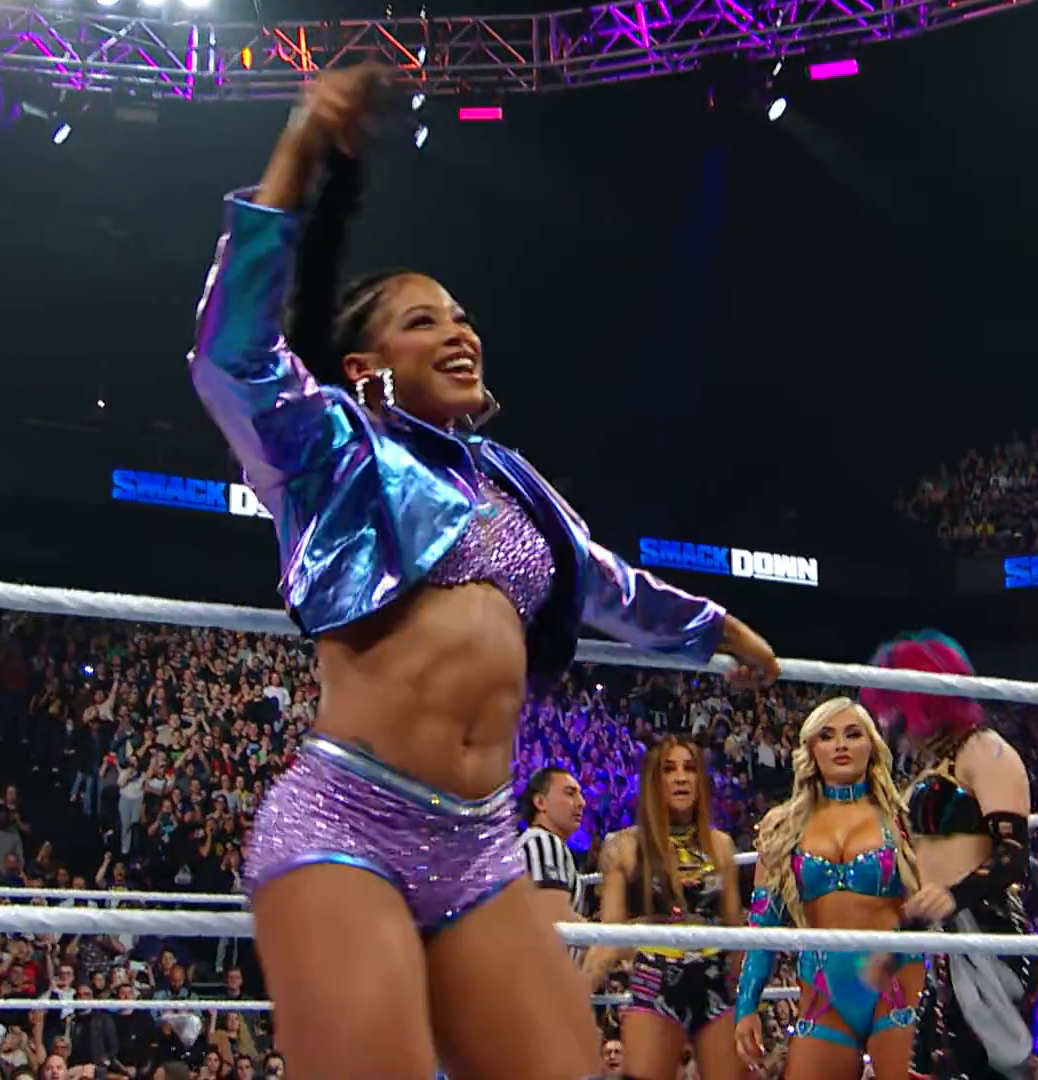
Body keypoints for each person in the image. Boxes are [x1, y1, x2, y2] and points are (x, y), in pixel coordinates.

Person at [190, 64, 781, 1080]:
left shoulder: (511, 482)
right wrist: (297, 150)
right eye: (423, 320)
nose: (458, 332)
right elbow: (232, 354)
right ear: (367, 367)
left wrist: (721, 630)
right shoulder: (332, 448)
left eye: (460, 316)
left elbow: (606, 584)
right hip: (348, 821)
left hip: (480, 844)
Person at [858, 631, 1037, 1080]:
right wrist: (897, 942)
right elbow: (928, 882)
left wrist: (955, 895)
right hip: (941, 945)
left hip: (988, 933)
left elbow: (1014, 854)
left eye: (898, 705)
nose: (892, 720)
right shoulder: (926, 769)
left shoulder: (986, 751)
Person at [734, 697, 924, 1079]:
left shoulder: (901, 818)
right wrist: (746, 1005)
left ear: (871, 746)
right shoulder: (782, 828)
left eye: (853, 734)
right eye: (827, 736)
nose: (840, 745)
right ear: (811, 749)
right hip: (823, 989)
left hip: (896, 980)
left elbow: (936, 899)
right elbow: (763, 926)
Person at [587, 736, 748, 1080]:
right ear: (653, 780)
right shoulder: (624, 847)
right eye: (669, 769)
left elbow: (736, 933)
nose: (681, 778)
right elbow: (609, 937)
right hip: (655, 982)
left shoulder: (720, 845)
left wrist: (749, 1005)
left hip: (716, 984)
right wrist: (572, 995)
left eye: (689, 769)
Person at [520, 766, 591, 926]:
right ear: (540, 802)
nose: (582, 803)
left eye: (580, 794)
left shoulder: (545, 842)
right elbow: (553, 920)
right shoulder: (542, 842)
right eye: (570, 793)